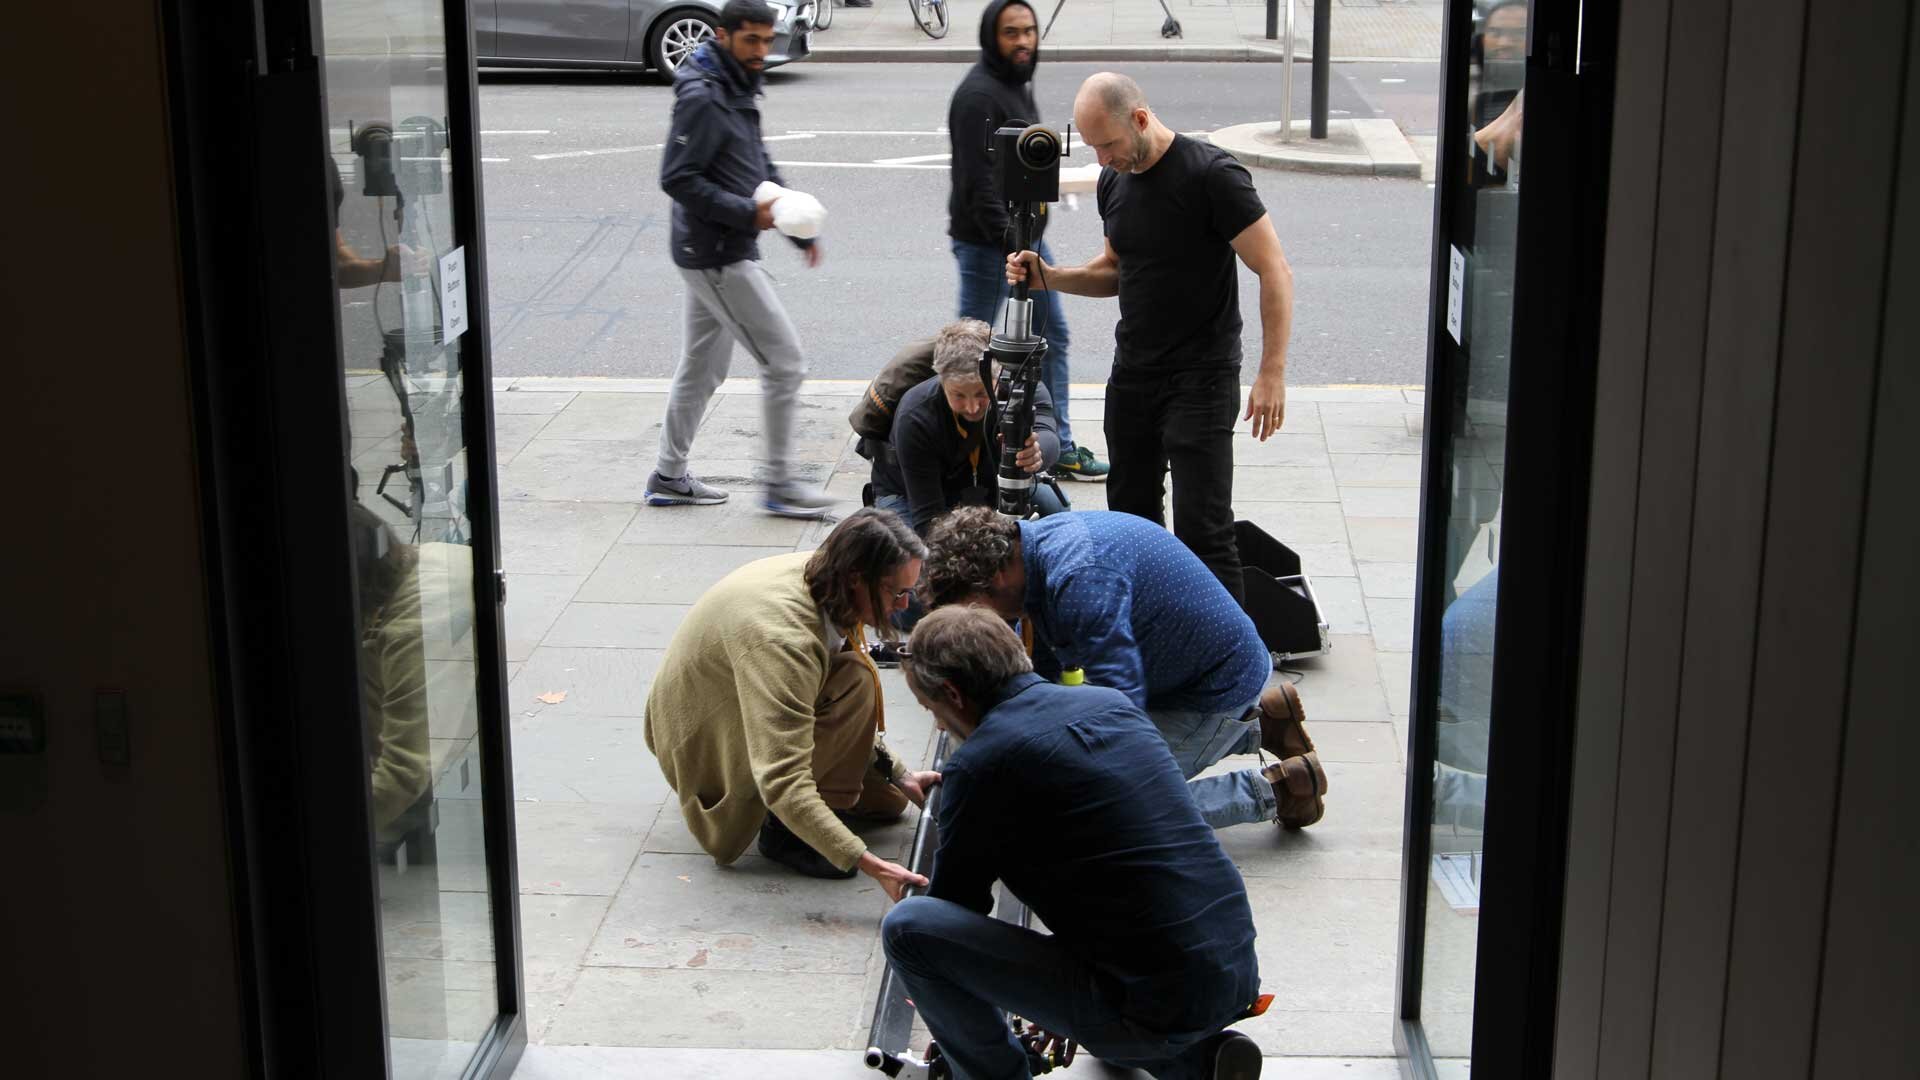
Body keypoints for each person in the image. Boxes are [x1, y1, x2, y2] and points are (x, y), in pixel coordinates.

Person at [882, 606, 1267, 1080]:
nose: (939, 726)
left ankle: (996, 1074)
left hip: (1152, 997)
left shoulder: (980, 764)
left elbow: (955, 914)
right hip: (1231, 966)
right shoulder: (1110, 704)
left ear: (954, 695)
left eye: (933, 712)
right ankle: (1196, 1061)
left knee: (909, 929)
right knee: (1125, 1017)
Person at [1005, 73, 1297, 603]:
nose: (1101, 160)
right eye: (1092, 147)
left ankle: (1230, 668)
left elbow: (1274, 269)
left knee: (1203, 530)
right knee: (1131, 521)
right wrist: (1050, 275)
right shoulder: (1113, 183)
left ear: (1140, 119)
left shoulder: (1212, 175)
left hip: (1202, 379)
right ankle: (1152, 637)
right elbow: (1117, 271)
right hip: (1134, 374)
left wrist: (1271, 372)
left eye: (1109, 145)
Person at [924, 506, 1327, 831]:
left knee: (1093, 809)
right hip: (1186, 673)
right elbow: (1043, 680)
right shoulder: (1038, 547)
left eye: (975, 610)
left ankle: (1280, 789)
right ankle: (1264, 724)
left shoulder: (1080, 581)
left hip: (1213, 690)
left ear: (996, 574)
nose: (977, 625)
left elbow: (1124, 719)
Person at [643, 509, 940, 895]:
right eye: (897, 592)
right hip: (697, 738)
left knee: (887, 804)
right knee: (857, 682)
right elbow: (783, 779)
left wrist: (899, 774)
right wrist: (868, 862)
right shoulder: (784, 641)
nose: (904, 606)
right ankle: (784, 834)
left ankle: (818, 812)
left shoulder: (826, 577)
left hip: (738, 695)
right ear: (856, 579)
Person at [646, 0, 836, 518]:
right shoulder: (703, 95)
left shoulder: (736, 82)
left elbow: (757, 164)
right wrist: (749, 216)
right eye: (751, 40)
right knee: (785, 361)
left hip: (717, 245)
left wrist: (797, 226)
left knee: (702, 368)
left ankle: (668, 475)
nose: (762, 51)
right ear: (723, 35)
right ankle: (778, 485)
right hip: (715, 253)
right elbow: (677, 178)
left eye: (767, 41)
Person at [947, 0, 1109, 484]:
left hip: (1023, 241)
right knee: (970, 349)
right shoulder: (977, 96)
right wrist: (1012, 248)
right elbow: (978, 185)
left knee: (1049, 336)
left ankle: (1054, 443)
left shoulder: (1014, 84)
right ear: (990, 37)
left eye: (1029, 31)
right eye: (1011, 32)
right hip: (990, 246)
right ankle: (947, 435)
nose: (1022, 41)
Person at [871, 318, 1067, 538]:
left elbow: (1048, 432)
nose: (972, 407)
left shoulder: (1023, 386)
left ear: (998, 374)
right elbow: (928, 519)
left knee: (1057, 514)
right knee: (917, 557)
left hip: (989, 480)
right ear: (942, 380)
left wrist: (1037, 452)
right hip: (909, 493)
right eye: (959, 395)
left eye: (982, 394)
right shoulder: (915, 415)